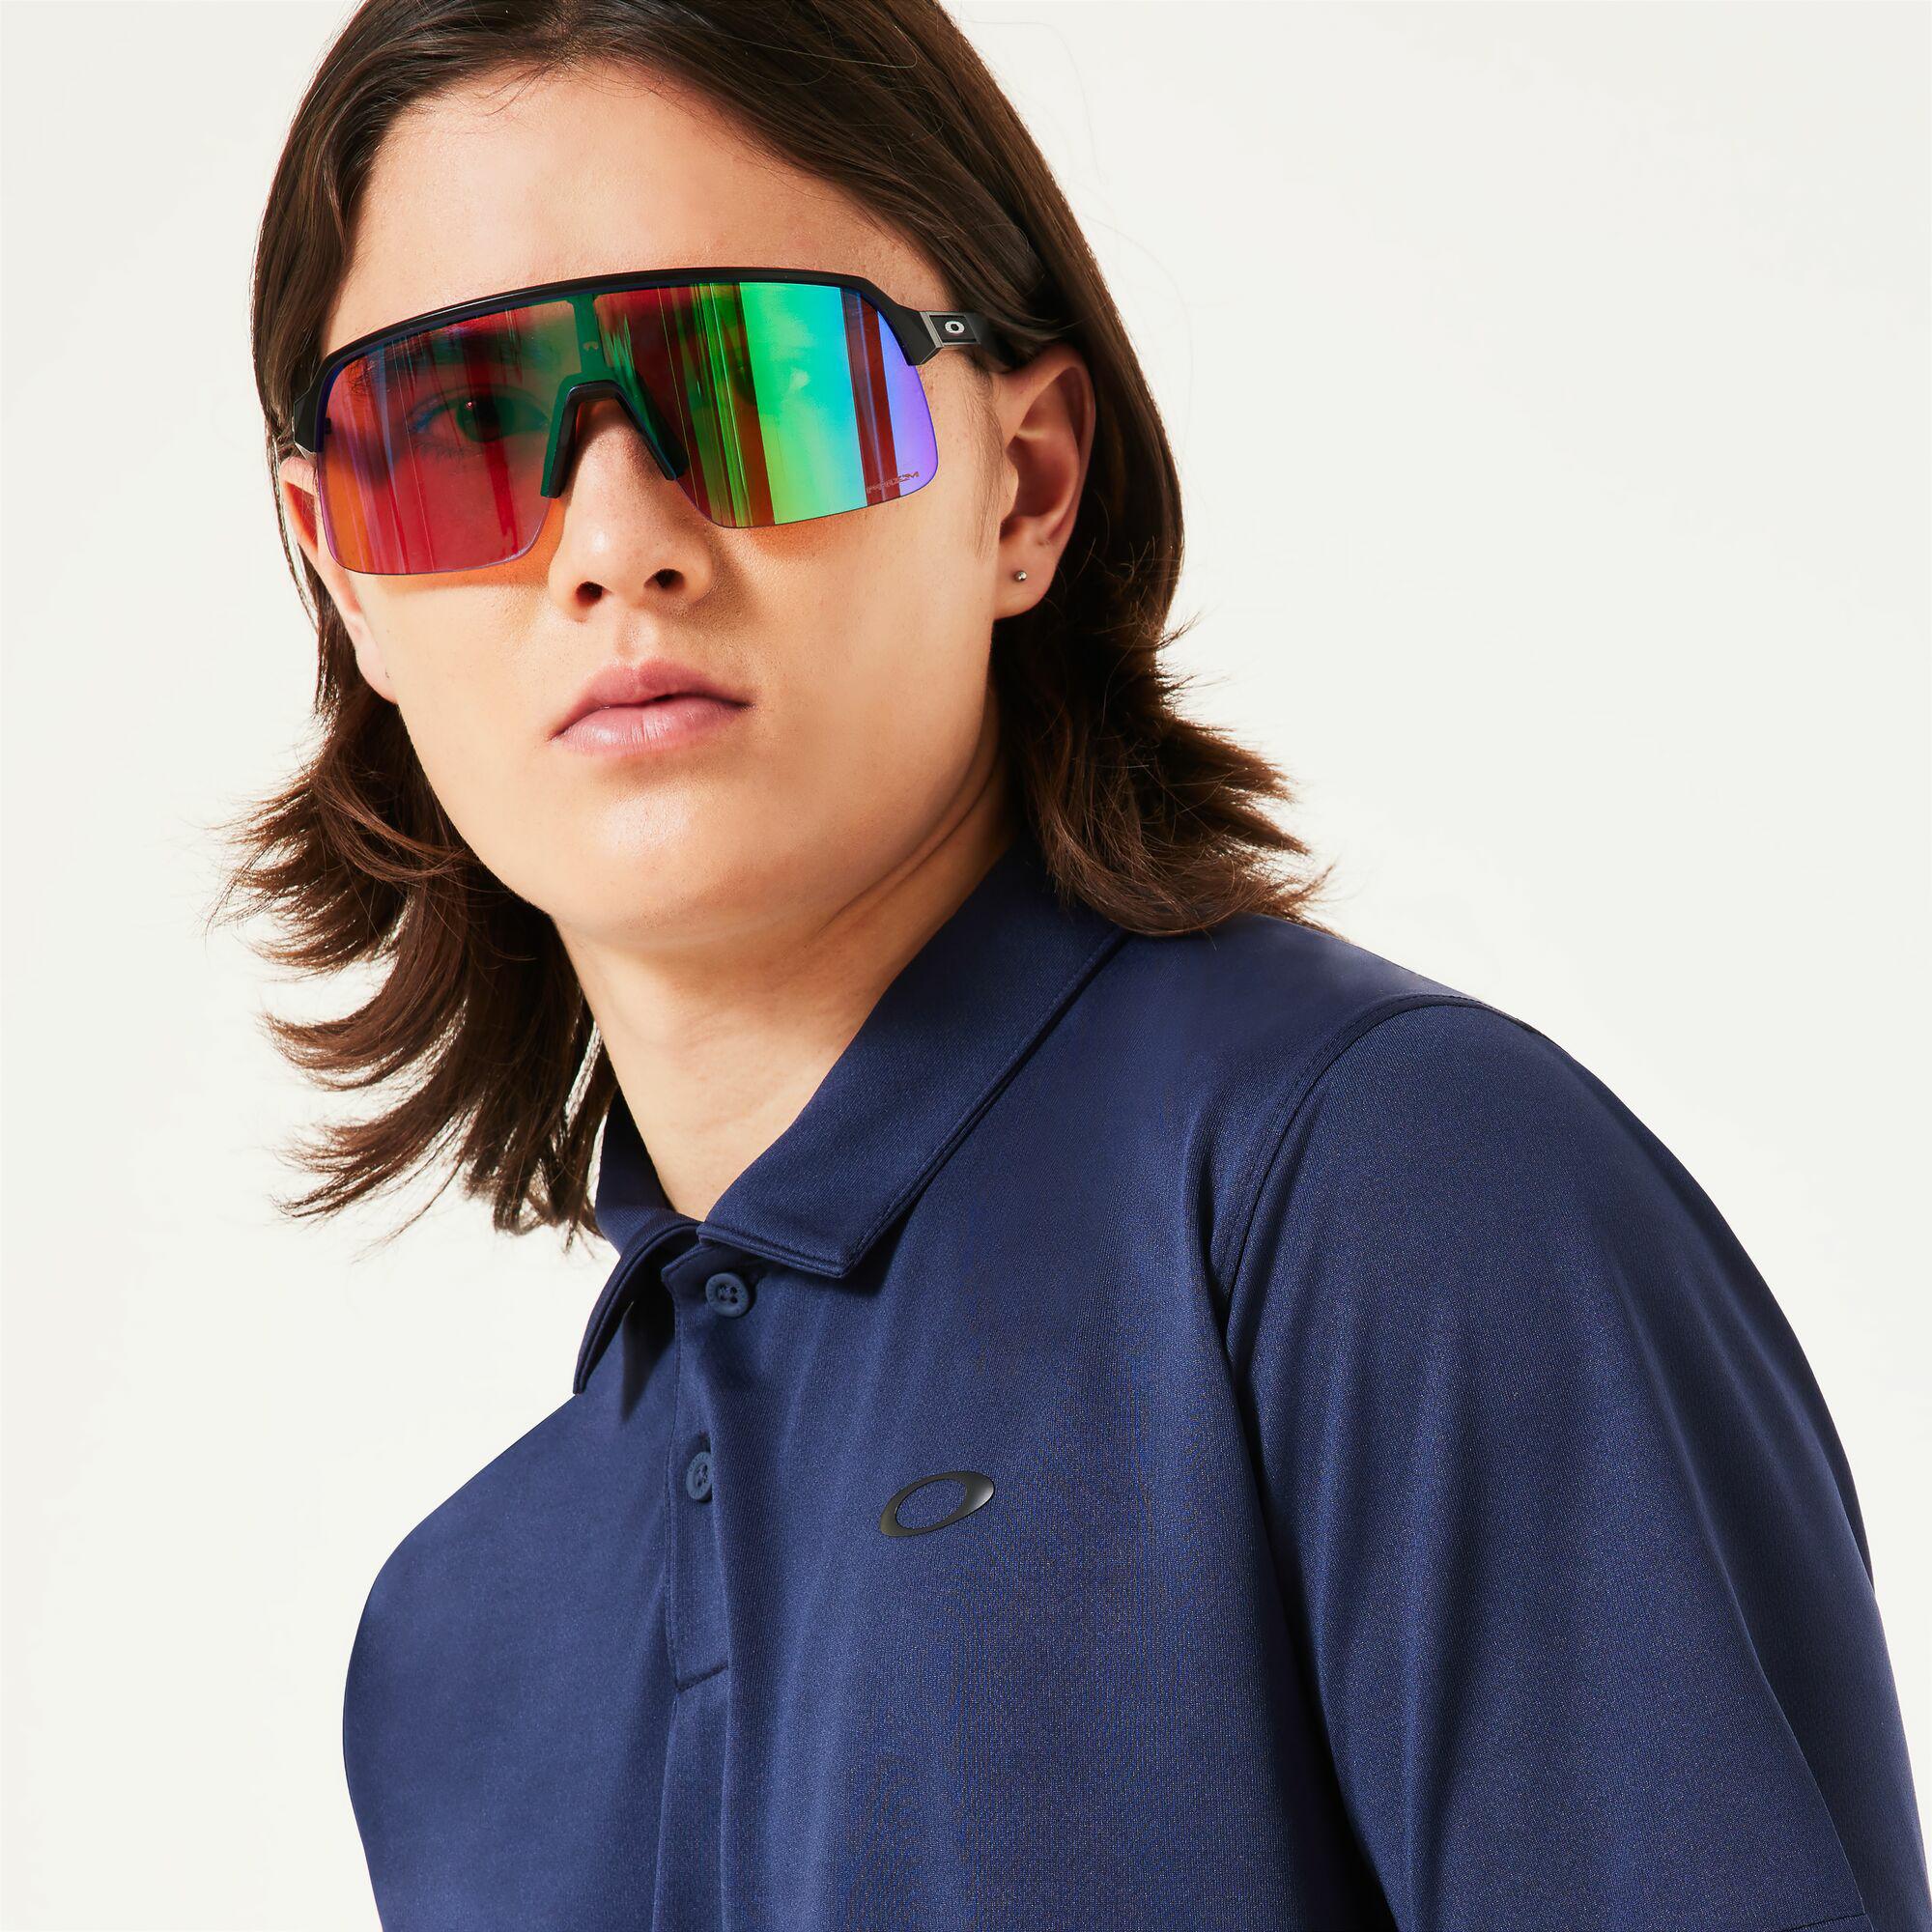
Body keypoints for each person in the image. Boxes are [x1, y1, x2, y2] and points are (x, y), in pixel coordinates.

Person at [220, 2, 1931, 1927]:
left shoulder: (1385, 1197)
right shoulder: (458, 1642)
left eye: (764, 380)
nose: (615, 543)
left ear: (1023, 484)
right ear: (342, 573)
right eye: (456, 432)